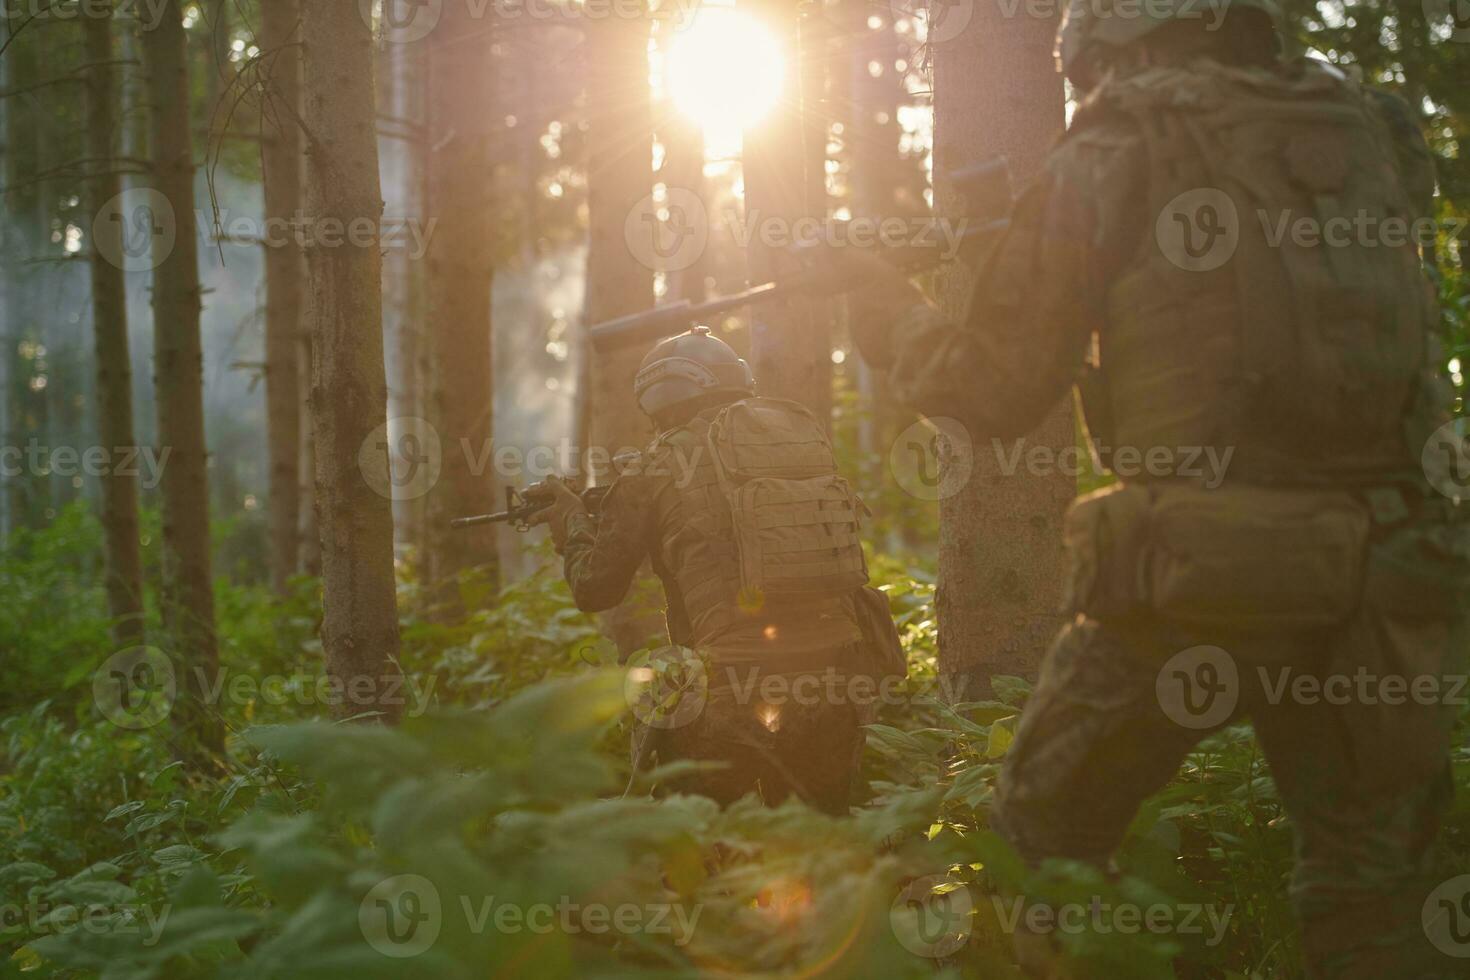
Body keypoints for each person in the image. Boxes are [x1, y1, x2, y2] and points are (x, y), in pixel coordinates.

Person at [820, 0, 1468, 975]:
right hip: (1381, 573)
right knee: (1377, 892)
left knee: (1038, 840)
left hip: (1195, 573)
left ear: (1120, 47)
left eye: (1087, 79)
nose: (1092, 95)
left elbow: (996, 386)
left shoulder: (1118, 139)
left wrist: (875, 303)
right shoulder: (1371, 129)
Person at [530, 326, 902, 815]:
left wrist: (571, 520)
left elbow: (595, 588)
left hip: (730, 693)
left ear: (659, 400)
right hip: (836, 680)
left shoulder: (654, 466)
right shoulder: (795, 444)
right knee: (822, 850)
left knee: (712, 852)